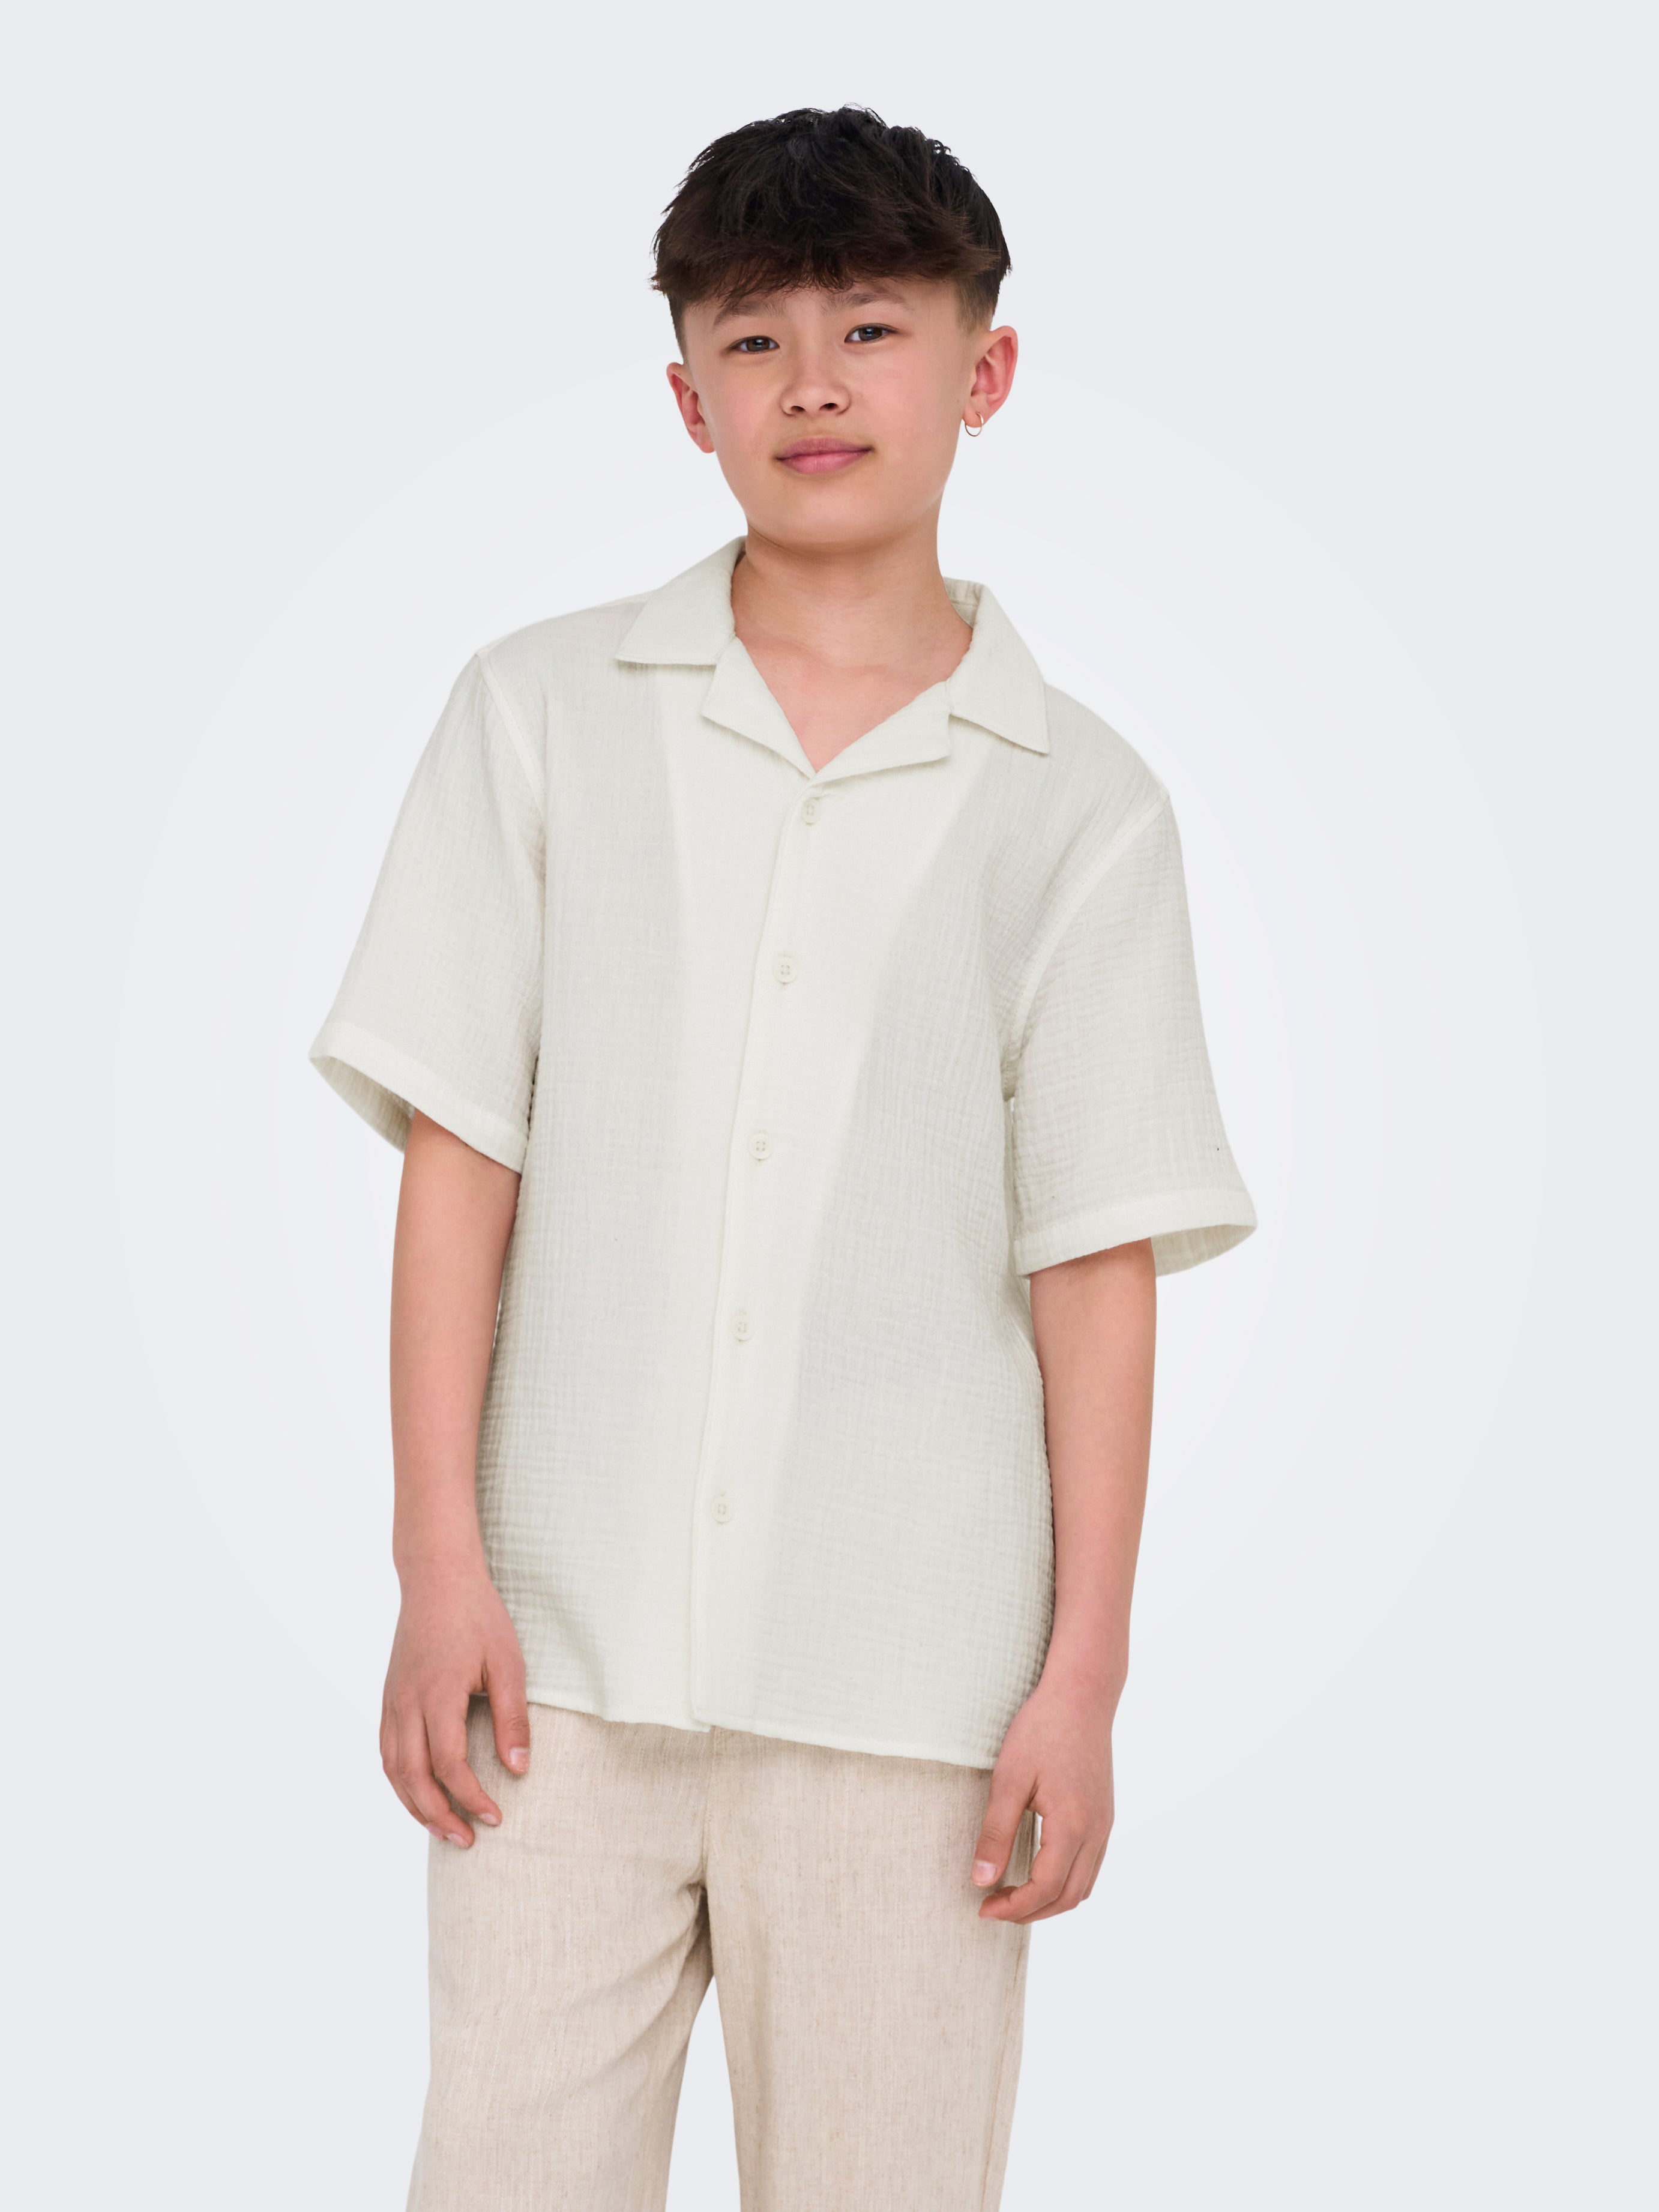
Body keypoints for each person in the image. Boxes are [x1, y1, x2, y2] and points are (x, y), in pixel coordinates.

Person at [310, 104, 1255, 2212]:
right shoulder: (540, 714)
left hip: (911, 1687)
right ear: (687, 398)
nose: (812, 382)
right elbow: (461, 1159)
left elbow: (1090, 1263)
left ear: (983, 370)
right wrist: (436, 1569)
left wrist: (1082, 1678)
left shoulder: (1078, 807)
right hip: (552, 1673)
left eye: (871, 328)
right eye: (752, 340)